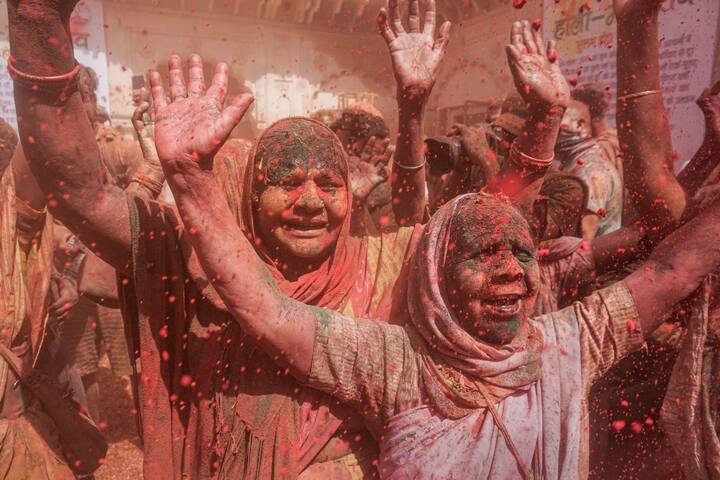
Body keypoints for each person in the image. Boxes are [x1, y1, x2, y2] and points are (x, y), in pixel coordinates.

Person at [6, 0, 453, 476]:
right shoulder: (193, 257)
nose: (310, 201)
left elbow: (446, 226)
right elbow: (79, 193)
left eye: (329, 184)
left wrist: (413, 110)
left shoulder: (380, 266)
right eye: (287, 181)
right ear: (250, 195)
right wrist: (38, 21)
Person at [555, 99, 623, 239]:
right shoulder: (575, 162)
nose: (549, 132)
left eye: (556, 125)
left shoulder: (591, 170)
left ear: (579, 125)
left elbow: (586, 234)